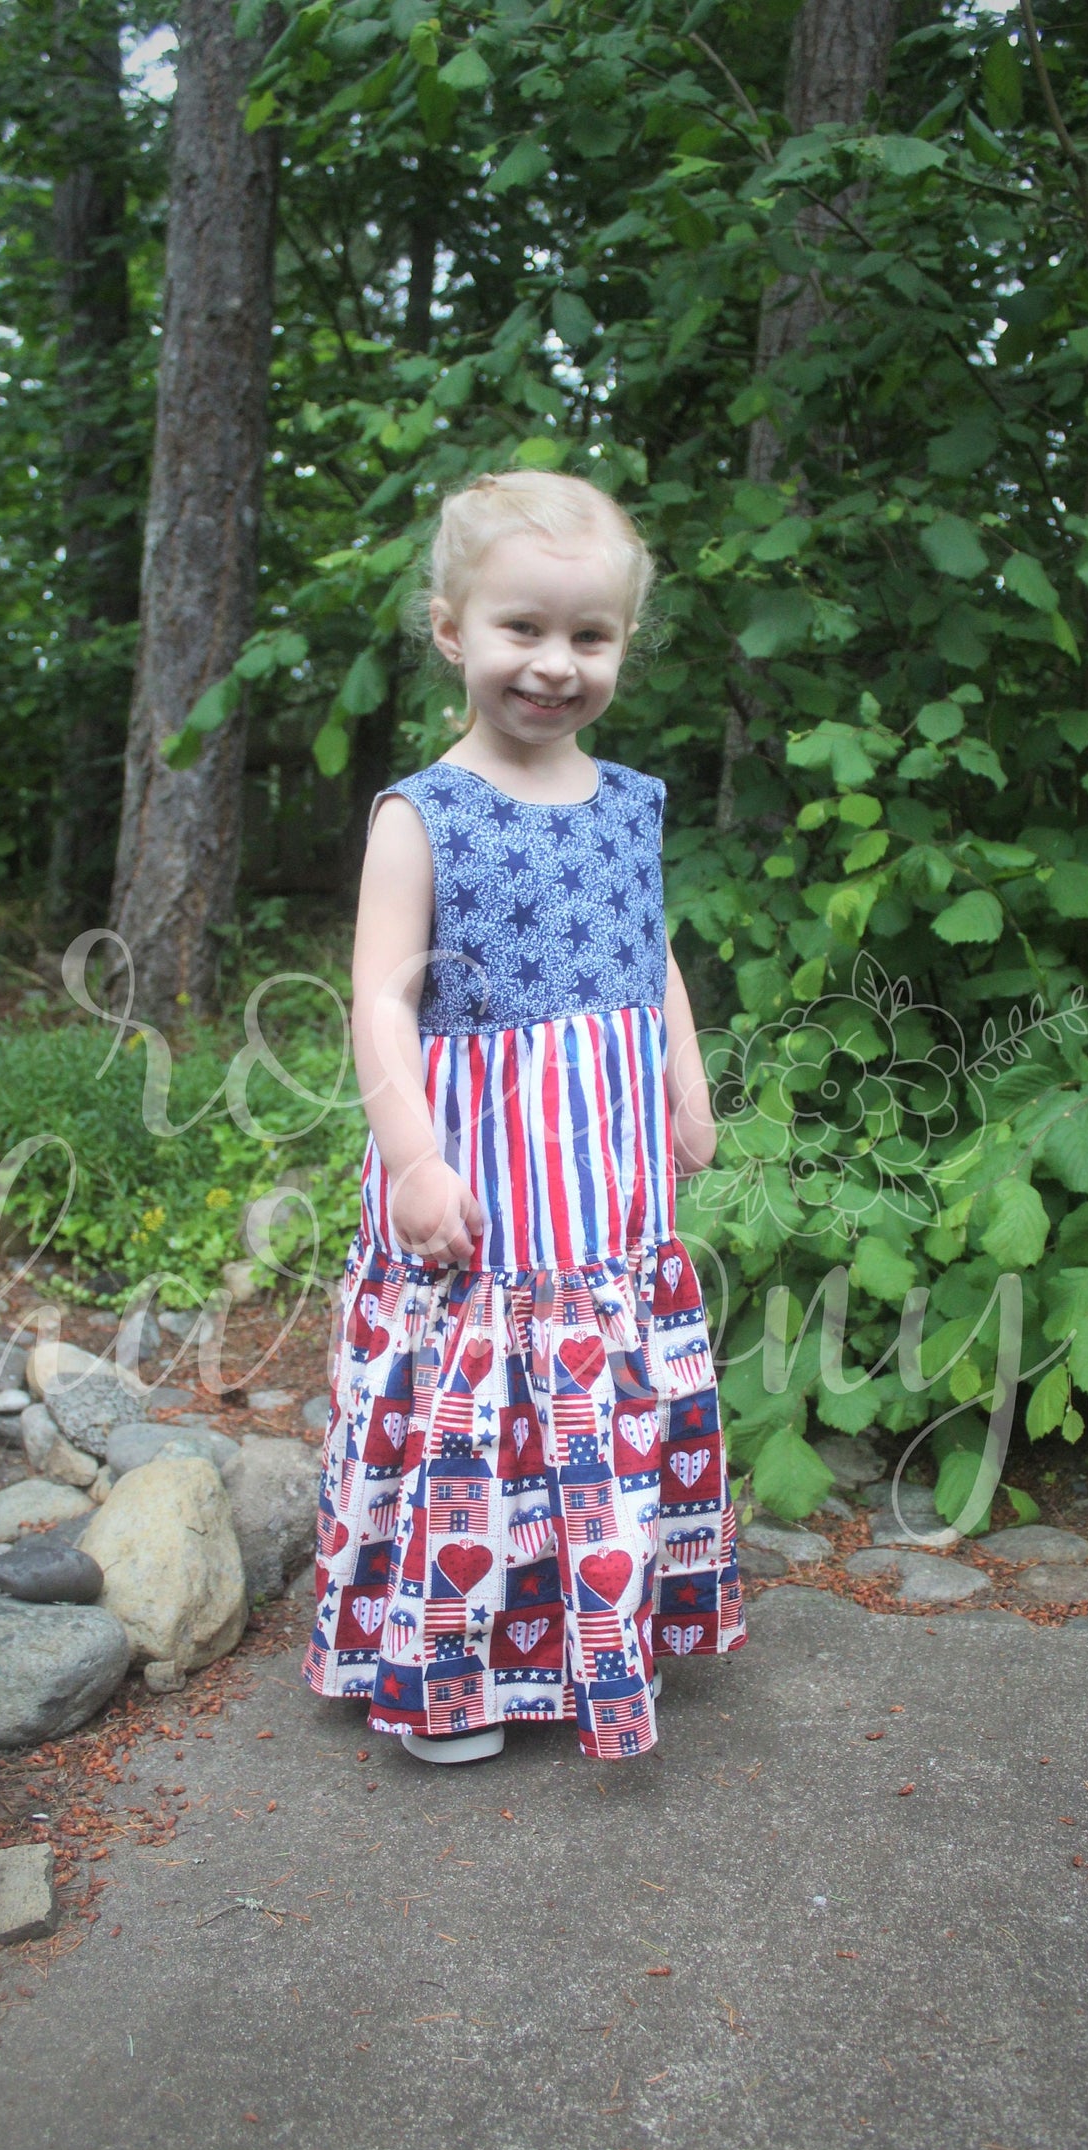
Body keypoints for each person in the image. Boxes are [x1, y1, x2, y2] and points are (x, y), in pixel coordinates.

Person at [302, 468, 746, 1764]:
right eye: (522, 629)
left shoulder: (627, 806)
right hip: (482, 1197)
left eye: (588, 636)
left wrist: (687, 1081)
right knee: (473, 1430)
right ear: (452, 630)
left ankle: (595, 1633)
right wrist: (413, 1160)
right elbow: (377, 1000)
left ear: (621, 646)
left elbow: (644, 956)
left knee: (599, 1405)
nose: (554, 664)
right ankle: (453, 1673)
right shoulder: (421, 815)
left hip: (603, 1189)